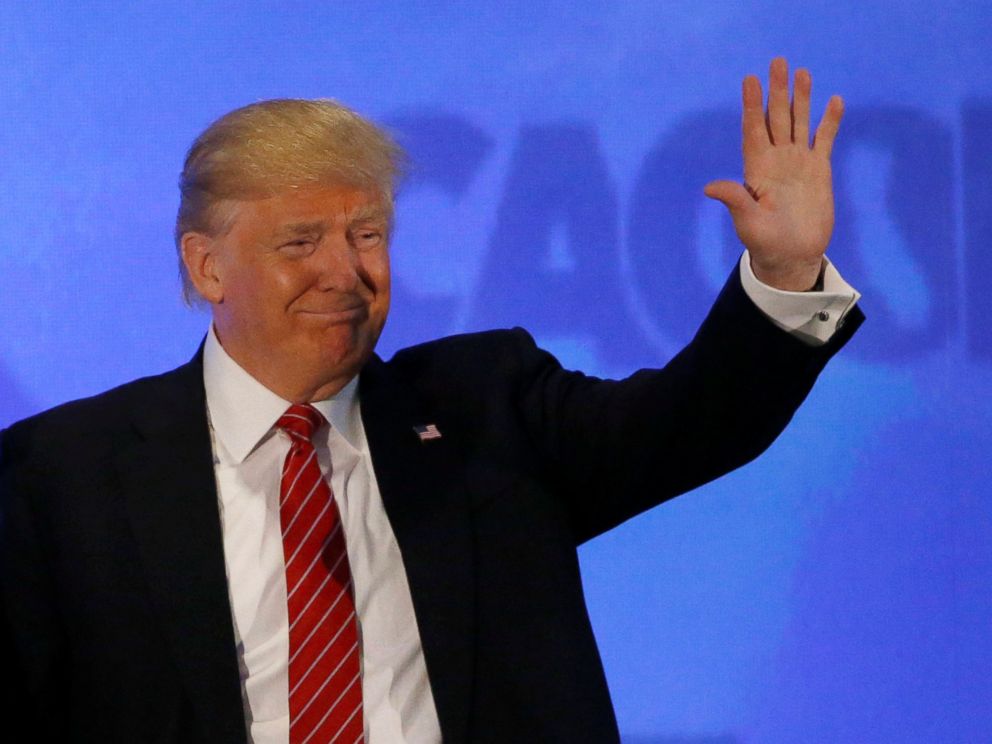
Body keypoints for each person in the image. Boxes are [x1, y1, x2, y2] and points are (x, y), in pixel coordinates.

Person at [1, 58, 863, 743]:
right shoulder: (61, 476)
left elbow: (690, 423)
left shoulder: (489, 410)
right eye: (301, 241)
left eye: (366, 234)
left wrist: (783, 273)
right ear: (206, 266)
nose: (347, 272)